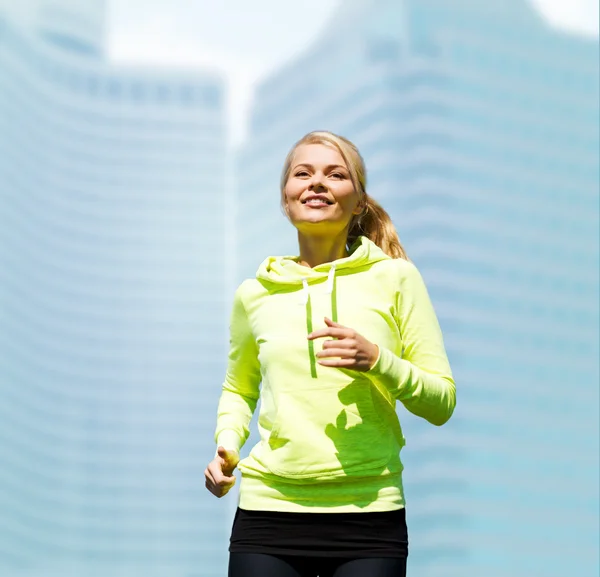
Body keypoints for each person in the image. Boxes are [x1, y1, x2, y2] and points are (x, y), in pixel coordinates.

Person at [205, 130, 456, 577]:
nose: (316, 182)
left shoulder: (397, 279)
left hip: (370, 514)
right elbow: (238, 388)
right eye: (303, 173)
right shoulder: (253, 294)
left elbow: (442, 403)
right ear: (286, 198)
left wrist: (378, 360)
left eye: (335, 174)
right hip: (269, 511)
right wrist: (226, 446)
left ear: (359, 201)